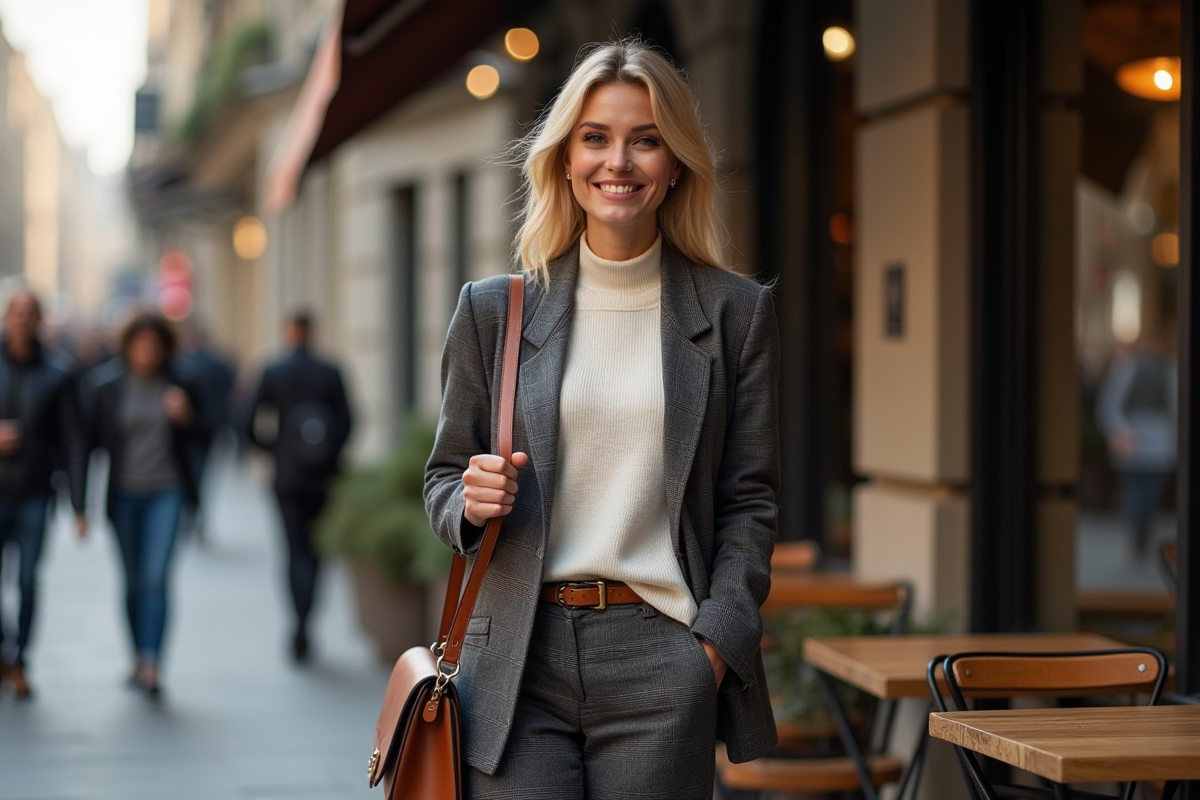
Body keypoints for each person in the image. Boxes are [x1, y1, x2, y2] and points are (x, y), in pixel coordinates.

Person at [424, 39, 779, 799]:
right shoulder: (495, 312)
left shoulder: (735, 314)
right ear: (564, 160)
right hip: (518, 656)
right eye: (596, 139)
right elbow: (443, 479)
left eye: (645, 140)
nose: (619, 162)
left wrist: (712, 648)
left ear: (675, 161)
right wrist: (469, 499)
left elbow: (750, 501)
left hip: (663, 654)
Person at [83, 312, 210, 697]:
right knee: (133, 582)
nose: (147, 352)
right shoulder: (107, 386)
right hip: (123, 495)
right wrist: (75, 501)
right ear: (127, 346)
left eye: (154, 346)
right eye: (140, 345)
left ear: (165, 348)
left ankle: (153, 663)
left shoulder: (182, 381)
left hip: (167, 492)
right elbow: (87, 442)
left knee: (156, 578)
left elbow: (211, 431)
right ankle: (137, 655)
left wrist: (187, 417)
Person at [245, 311, 352, 663]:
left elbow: (245, 421)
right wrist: (330, 452)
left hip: (287, 477)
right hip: (324, 477)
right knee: (317, 552)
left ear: (289, 332)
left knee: (293, 551)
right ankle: (308, 620)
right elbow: (349, 421)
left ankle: (299, 621)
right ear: (313, 332)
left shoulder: (274, 370)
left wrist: (273, 449)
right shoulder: (330, 371)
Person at [0, 290, 88, 698]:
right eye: (15, 312)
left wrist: (79, 502)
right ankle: (4, 649)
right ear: (5, 318)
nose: (21, 319)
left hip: (35, 493)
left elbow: (73, 438)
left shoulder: (59, 371)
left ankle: (20, 659)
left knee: (29, 579)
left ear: (39, 320)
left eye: (29, 313)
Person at [1097, 322, 1178, 557]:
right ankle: (1136, 533)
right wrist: (1119, 431)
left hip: (1159, 439)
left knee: (1152, 491)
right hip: (1133, 436)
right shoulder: (1128, 367)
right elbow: (1110, 404)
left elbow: (1176, 409)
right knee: (1134, 490)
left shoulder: (1170, 369)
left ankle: (1144, 531)